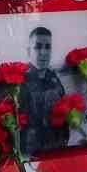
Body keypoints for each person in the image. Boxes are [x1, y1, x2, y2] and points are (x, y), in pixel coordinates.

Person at [17, 27, 67, 155]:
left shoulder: (54, 79)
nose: (43, 52)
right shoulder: (19, 83)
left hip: (57, 149)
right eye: (38, 47)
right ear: (29, 51)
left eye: (47, 47)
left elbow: (64, 114)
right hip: (31, 155)